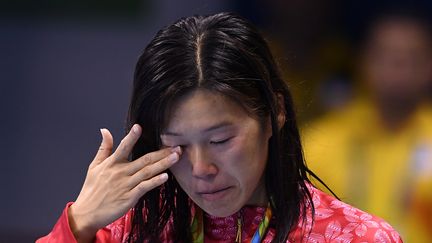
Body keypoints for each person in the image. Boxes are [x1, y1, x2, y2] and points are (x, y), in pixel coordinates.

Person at [37, 13, 401, 243]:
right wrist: (78, 222)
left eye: (220, 139)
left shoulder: (359, 238)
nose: (200, 169)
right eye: (176, 145)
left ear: (274, 113)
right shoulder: (128, 234)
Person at [302, 10, 432, 243]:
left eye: (412, 58)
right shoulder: (318, 141)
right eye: (388, 57)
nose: (399, 68)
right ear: (363, 62)